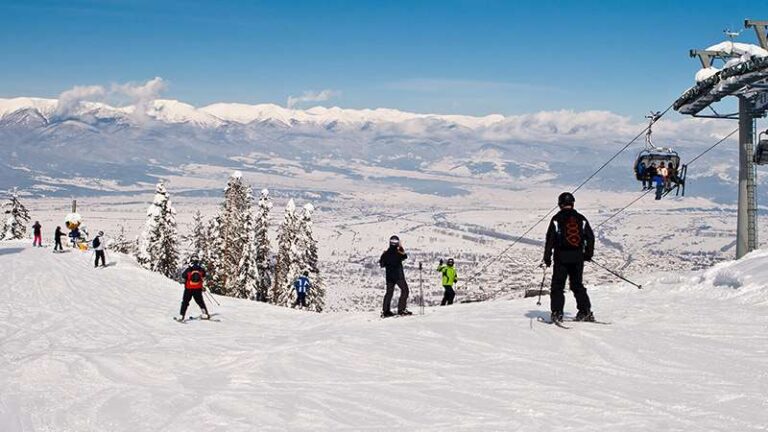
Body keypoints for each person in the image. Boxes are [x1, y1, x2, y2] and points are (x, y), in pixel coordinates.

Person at [543, 192, 595, 323]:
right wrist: (588, 254)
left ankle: (557, 312)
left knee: (558, 286)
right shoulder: (581, 219)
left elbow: (550, 239)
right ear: (572, 203)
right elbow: (590, 237)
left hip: (561, 258)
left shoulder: (556, 219)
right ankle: (585, 311)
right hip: (577, 257)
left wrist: (547, 257)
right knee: (577, 285)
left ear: (560, 204)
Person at [379, 235, 411, 317]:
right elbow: (405, 256)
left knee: (389, 293)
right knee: (405, 291)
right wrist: (400, 248)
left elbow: (382, 264)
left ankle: (386, 311)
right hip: (398, 276)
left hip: (389, 277)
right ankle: (401, 309)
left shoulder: (385, 253)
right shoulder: (398, 252)